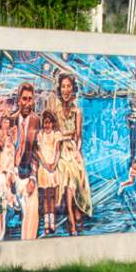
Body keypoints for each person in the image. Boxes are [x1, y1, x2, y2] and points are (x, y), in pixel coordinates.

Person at [55, 73, 92, 236]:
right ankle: (72, 217)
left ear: (73, 89)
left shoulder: (77, 111)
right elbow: (54, 134)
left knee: (77, 174)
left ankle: (76, 209)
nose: (66, 90)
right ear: (60, 89)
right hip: (60, 149)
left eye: (68, 86)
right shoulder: (56, 111)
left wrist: (77, 151)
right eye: (63, 86)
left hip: (72, 147)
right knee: (68, 175)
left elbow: (79, 136)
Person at [12, 82, 40, 240]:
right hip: (12, 175)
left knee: (31, 216)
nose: (28, 103)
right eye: (24, 99)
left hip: (28, 175)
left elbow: (37, 151)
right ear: (19, 100)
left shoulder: (36, 121)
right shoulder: (10, 120)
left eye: (30, 99)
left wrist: (33, 178)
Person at [35, 109, 61, 235]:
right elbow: (38, 151)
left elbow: (58, 151)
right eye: (45, 123)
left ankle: (52, 222)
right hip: (44, 168)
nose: (47, 125)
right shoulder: (40, 135)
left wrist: (54, 164)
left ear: (52, 123)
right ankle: (46, 223)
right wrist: (45, 165)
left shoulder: (56, 135)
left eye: (49, 123)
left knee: (52, 196)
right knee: (45, 196)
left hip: (53, 167)